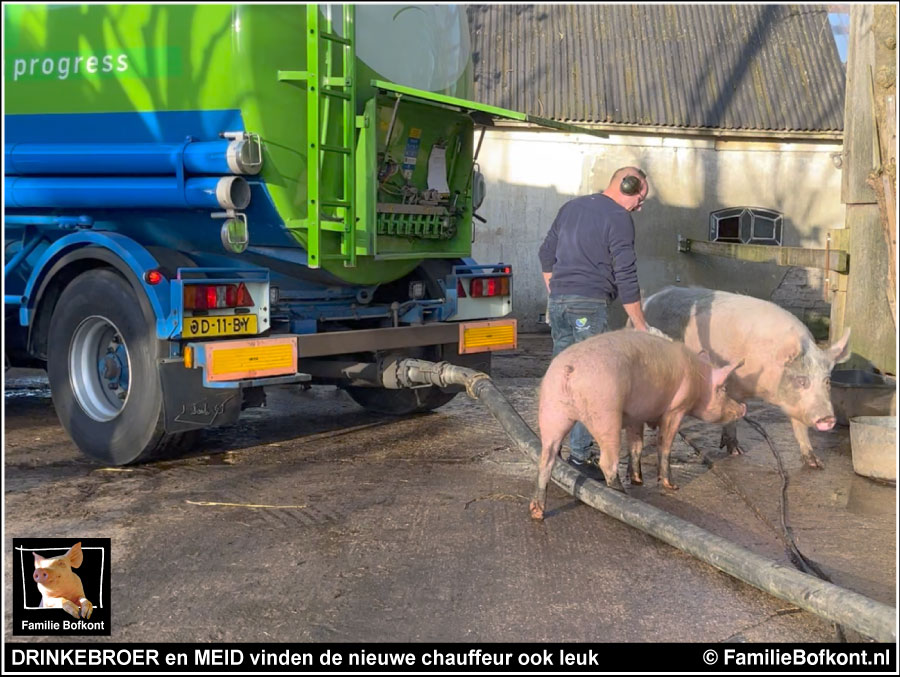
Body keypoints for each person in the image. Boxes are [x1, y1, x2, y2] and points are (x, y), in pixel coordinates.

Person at [538, 166, 652, 478]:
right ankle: (579, 458)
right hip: (589, 306)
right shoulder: (618, 217)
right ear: (627, 187)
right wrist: (640, 324)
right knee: (592, 383)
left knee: (564, 376)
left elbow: (545, 254)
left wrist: (557, 290)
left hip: (559, 303)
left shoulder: (571, 207)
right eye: (640, 199)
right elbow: (627, 275)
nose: (639, 207)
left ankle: (552, 449)